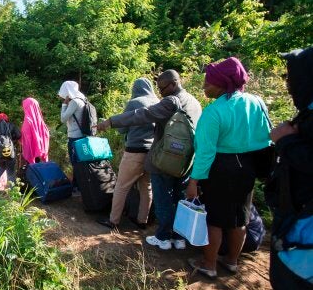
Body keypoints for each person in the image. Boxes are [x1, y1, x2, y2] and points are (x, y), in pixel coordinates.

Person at [239, 47, 313, 290]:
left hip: (305, 220)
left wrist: (285, 140)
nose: (287, 81)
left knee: (293, 282)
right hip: (295, 210)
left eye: (291, 75)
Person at [185, 57, 272, 278]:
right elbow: (266, 137)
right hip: (247, 167)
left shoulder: (214, 112)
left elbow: (205, 152)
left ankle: (209, 264)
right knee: (239, 216)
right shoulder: (256, 102)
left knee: (214, 218)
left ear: (223, 83)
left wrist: (194, 180)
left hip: (221, 168)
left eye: (208, 82)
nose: (204, 86)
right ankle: (232, 261)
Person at [98, 70, 202, 250]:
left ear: (174, 84)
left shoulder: (169, 101)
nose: (160, 92)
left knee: (159, 198)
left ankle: (161, 237)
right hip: (185, 161)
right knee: (174, 198)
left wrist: (110, 121)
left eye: (162, 88)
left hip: (162, 159)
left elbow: (141, 115)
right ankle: (174, 236)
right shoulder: (195, 102)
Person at [99, 78, 159, 230]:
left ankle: (114, 221)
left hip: (134, 151)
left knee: (121, 186)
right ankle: (142, 221)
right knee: (147, 187)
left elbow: (122, 128)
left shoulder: (135, 102)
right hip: (152, 152)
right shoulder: (158, 102)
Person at [58, 80, 87, 191]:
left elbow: (63, 118)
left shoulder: (74, 102)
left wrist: (64, 104)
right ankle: (79, 185)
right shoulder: (83, 98)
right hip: (83, 134)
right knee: (80, 161)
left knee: (75, 162)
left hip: (75, 136)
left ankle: (77, 186)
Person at [21, 97, 50, 165]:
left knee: (33, 172)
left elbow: (26, 138)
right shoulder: (40, 120)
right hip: (41, 152)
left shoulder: (28, 120)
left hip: (32, 155)